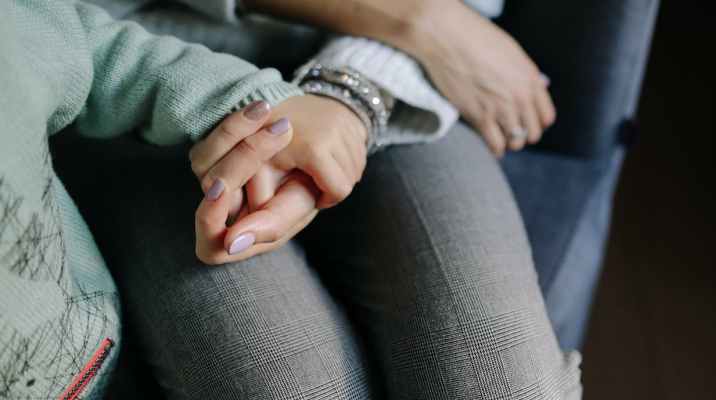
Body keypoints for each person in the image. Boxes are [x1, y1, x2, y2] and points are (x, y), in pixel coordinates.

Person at [3, 0, 579, 399]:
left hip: (409, 68)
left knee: (505, 382)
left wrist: (353, 93)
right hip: (156, 94)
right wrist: (413, 16)